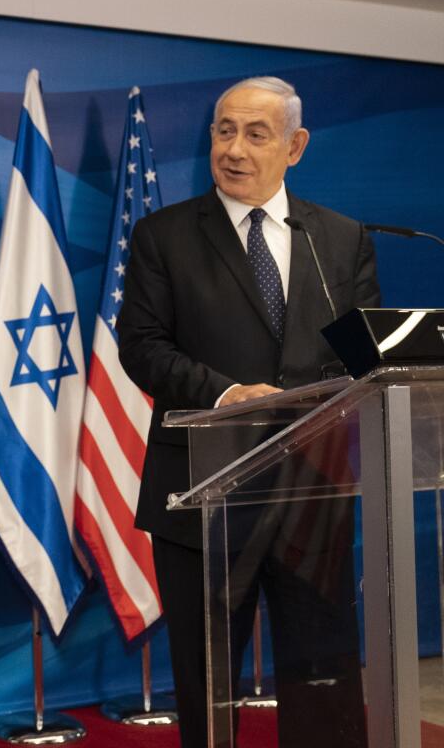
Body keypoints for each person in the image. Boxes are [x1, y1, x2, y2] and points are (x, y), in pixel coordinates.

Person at [118, 76, 380, 747]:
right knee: (207, 683)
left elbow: (364, 355)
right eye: (223, 130)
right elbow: (142, 347)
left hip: (313, 493)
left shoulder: (341, 239)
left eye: (255, 134)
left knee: (321, 675)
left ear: (294, 147)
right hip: (204, 496)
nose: (233, 149)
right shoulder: (164, 236)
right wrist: (227, 395)